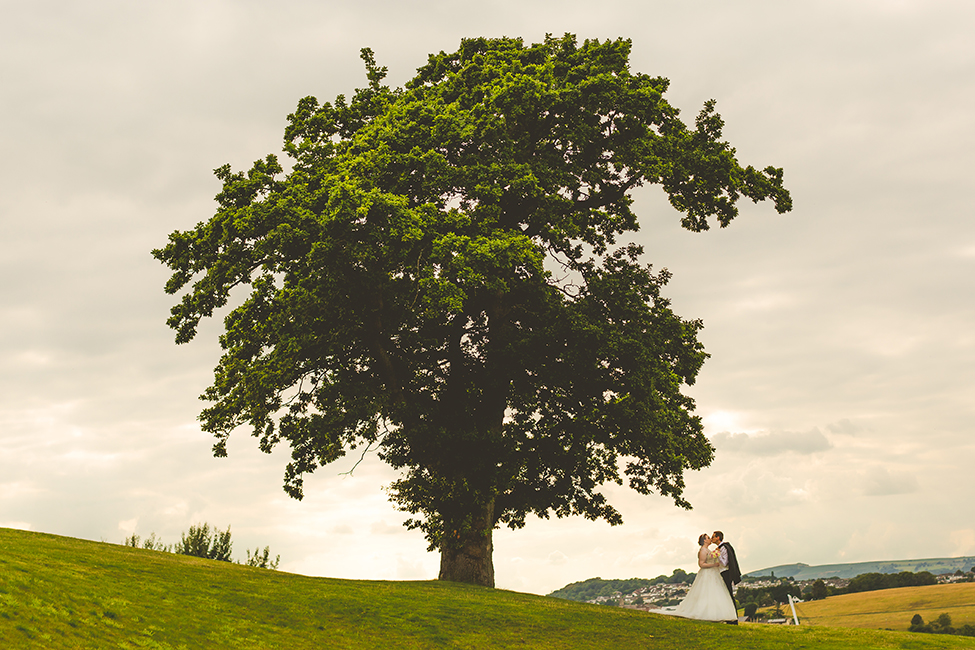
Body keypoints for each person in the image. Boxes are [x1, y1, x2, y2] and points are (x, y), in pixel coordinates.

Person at [671, 533, 738, 622]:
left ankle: (718, 614)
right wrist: (714, 564)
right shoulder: (703, 550)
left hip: (714, 574)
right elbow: (701, 564)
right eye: (708, 538)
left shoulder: (708, 550)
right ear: (705, 541)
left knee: (715, 594)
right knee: (706, 593)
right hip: (707, 573)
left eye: (711, 537)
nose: (710, 539)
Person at [713, 530, 742, 624]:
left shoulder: (724, 548)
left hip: (726, 573)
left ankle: (733, 618)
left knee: (729, 595)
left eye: (713, 537)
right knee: (725, 595)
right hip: (722, 572)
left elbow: (725, 562)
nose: (712, 538)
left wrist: (718, 555)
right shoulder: (720, 548)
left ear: (718, 537)